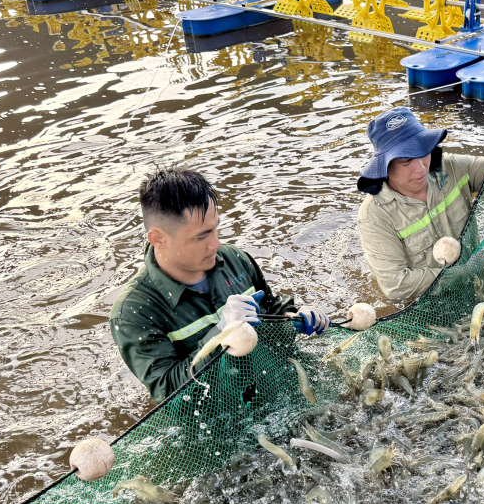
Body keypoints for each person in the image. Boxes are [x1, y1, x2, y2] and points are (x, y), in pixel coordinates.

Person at [110, 167, 330, 402]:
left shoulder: (235, 260)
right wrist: (221, 333)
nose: (215, 244)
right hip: (222, 418)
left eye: (215, 228)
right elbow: (169, 392)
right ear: (158, 239)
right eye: (202, 236)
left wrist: (296, 318)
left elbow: (272, 309)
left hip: (278, 389)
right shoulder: (133, 312)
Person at [356, 75, 484, 303]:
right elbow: (396, 286)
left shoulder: (452, 168)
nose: (420, 167)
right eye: (406, 162)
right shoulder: (374, 216)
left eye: (424, 152)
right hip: (431, 306)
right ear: (385, 167)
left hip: (481, 287)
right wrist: (462, 273)